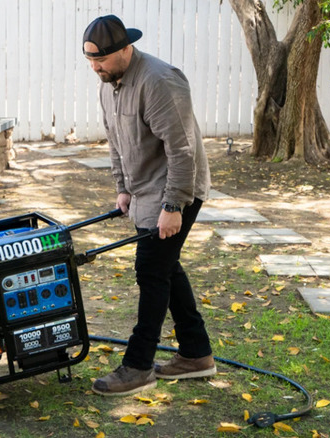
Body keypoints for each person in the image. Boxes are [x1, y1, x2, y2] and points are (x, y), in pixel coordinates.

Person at [82, 15, 216, 396]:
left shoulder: (159, 80)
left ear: (126, 48)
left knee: (151, 270)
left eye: (102, 59)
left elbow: (182, 149)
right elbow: (115, 142)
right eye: (90, 60)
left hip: (178, 188)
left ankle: (139, 365)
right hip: (143, 191)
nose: (96, 67)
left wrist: (173, 205)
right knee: (165, 268)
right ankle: (196, 354)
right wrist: (123, 188)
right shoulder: (108, 85)